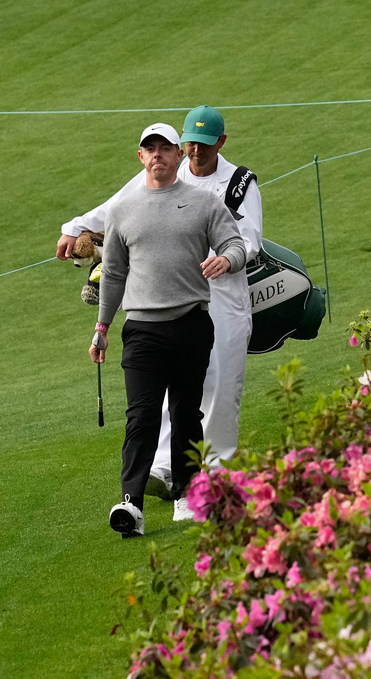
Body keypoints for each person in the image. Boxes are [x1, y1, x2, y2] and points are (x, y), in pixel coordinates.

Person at [58, 106, 262, 499]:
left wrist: (227, 258)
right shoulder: (166, 168)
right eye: (191, 144)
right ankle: (164, 468)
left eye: (203, 145)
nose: (196, 153)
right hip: (171, 294)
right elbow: (119, 206)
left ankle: (214, 473)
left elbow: (248, 238)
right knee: (172, 387)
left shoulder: (239, 183)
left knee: (219, 384)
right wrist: (77, 227)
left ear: (220, 142)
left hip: (224, 295)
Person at [90, 123, 246, 538]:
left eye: (165, 148)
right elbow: (114, 273)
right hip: (141, 329)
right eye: (150, 149)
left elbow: (236, 244)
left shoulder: (202, 203)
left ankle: (186, 495)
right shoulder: (123, 209)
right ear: (140, 156)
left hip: (192, 324)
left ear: (179, 156)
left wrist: (226, 261)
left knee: (185, 412)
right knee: (140, 416)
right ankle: (131, 502)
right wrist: (103, 326)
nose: (157, 154)